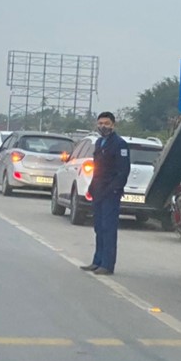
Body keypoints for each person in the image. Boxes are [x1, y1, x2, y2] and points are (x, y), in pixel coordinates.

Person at [80, 112, 130, 275]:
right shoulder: (99, 142)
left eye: (106, 123)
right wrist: (92, 187)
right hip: (98, 190)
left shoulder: (119, 144)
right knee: (99, 228)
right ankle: (97, 261)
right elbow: (97, 169)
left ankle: (107, 265)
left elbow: (123, 171)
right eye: (100, 123)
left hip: (111, 192)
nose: (103, 126)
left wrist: (114, 189)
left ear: (113, 125)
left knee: (108, 228)